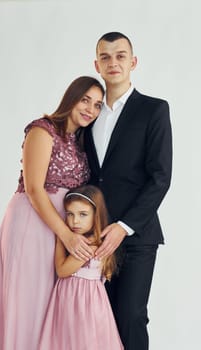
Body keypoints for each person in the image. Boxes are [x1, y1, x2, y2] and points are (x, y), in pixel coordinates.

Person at [0, 76, 104, 350]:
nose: (90, 109)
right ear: (71, 97)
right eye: (85, 100)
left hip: (62, 229)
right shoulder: (42, 130)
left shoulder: (81, 142)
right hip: (33, 222)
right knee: (29, 306)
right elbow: (34, 188)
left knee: (54, 310)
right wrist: (66, 235)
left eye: (97, 105)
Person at [84, 32, 172, 350]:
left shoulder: (154, 110)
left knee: (131, 317)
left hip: (136, 237)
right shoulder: (88, 115)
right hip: (93, 238)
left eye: (120, 55)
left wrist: (123, 227)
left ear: (133, 62)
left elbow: (160, 177)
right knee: (97, 319)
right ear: (97, 65)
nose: (113, 62)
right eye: (105, 57)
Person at [39, 185, 124, 350]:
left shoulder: (88, 248)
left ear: (96, 216)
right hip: (88, 301)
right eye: (70, 214)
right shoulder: (97, 243)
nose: (75, 221)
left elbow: (62, 270)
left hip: (79, 302)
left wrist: (60, 239)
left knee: (77, 340)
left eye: (83, 215)